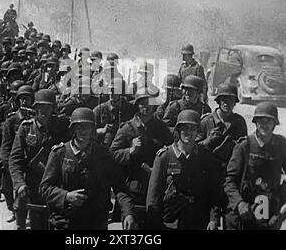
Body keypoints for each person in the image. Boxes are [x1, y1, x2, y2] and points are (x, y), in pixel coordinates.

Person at [39, 107, 138, 230]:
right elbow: (44, 188)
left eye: (87, 126)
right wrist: (66, 196)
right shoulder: (59, 153)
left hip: (96, 221)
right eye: (79, 126)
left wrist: (128, 213)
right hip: (66, 221)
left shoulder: (103, 155)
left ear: (93, 129)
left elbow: (120, 187)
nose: (83, 131)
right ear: (73, 128)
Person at [224, 102, 286, 230]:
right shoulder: (244, 146)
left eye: (268, 121)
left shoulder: (281, 145)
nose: (264, 125)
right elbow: (229, 181)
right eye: (260, 121)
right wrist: (239, 203)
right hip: (245, 212)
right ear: (255, 122)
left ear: (275, 123)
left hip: (269, 211)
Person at [146, 109, 223, 230]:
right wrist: (154, 224)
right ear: (178, 130)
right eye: (185, 128)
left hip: (198, 221)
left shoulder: (205, 156)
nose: (189, 133)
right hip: (170, 222)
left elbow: (214, 190)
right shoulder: (165, 157)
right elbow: (153, 196)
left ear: (198, 131)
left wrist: (214, 219)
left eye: (193, 129)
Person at [109, 89, 173, 228]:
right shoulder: (127, 128)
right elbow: (113, 153)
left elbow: (171, 150)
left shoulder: (161, 128)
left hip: (157, 185)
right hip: (133, 187)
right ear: (137, 105)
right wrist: (130, 151)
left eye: (149, 103)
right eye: (142, 103)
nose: (146, 106)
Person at [9, 89, 70, 230]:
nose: (44, 111)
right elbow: (15, 159)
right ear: (35, 108)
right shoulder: (26, 129)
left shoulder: (62, 126)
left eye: (48, 107)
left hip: (57, 185)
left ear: (53, 109)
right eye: (40, 107)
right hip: (35, 185)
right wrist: (19, 184)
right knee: (38, 224)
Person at [0, 85, 35, 224]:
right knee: (10, 192)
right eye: (21, 99)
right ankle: (17, 217)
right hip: (15, 163)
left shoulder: (36, 121)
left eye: (27, 99)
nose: (24, 102)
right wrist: (10, 166)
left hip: (32, 165)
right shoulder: (11, 120)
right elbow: (5, 147)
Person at [93, 80, 135, 148]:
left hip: (124, 146)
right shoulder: (100, 109)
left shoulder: (130, 109)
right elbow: (88, 130)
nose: (111, 93)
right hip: (105, 146)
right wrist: (102, 130)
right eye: (109, 90)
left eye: (114, 90)